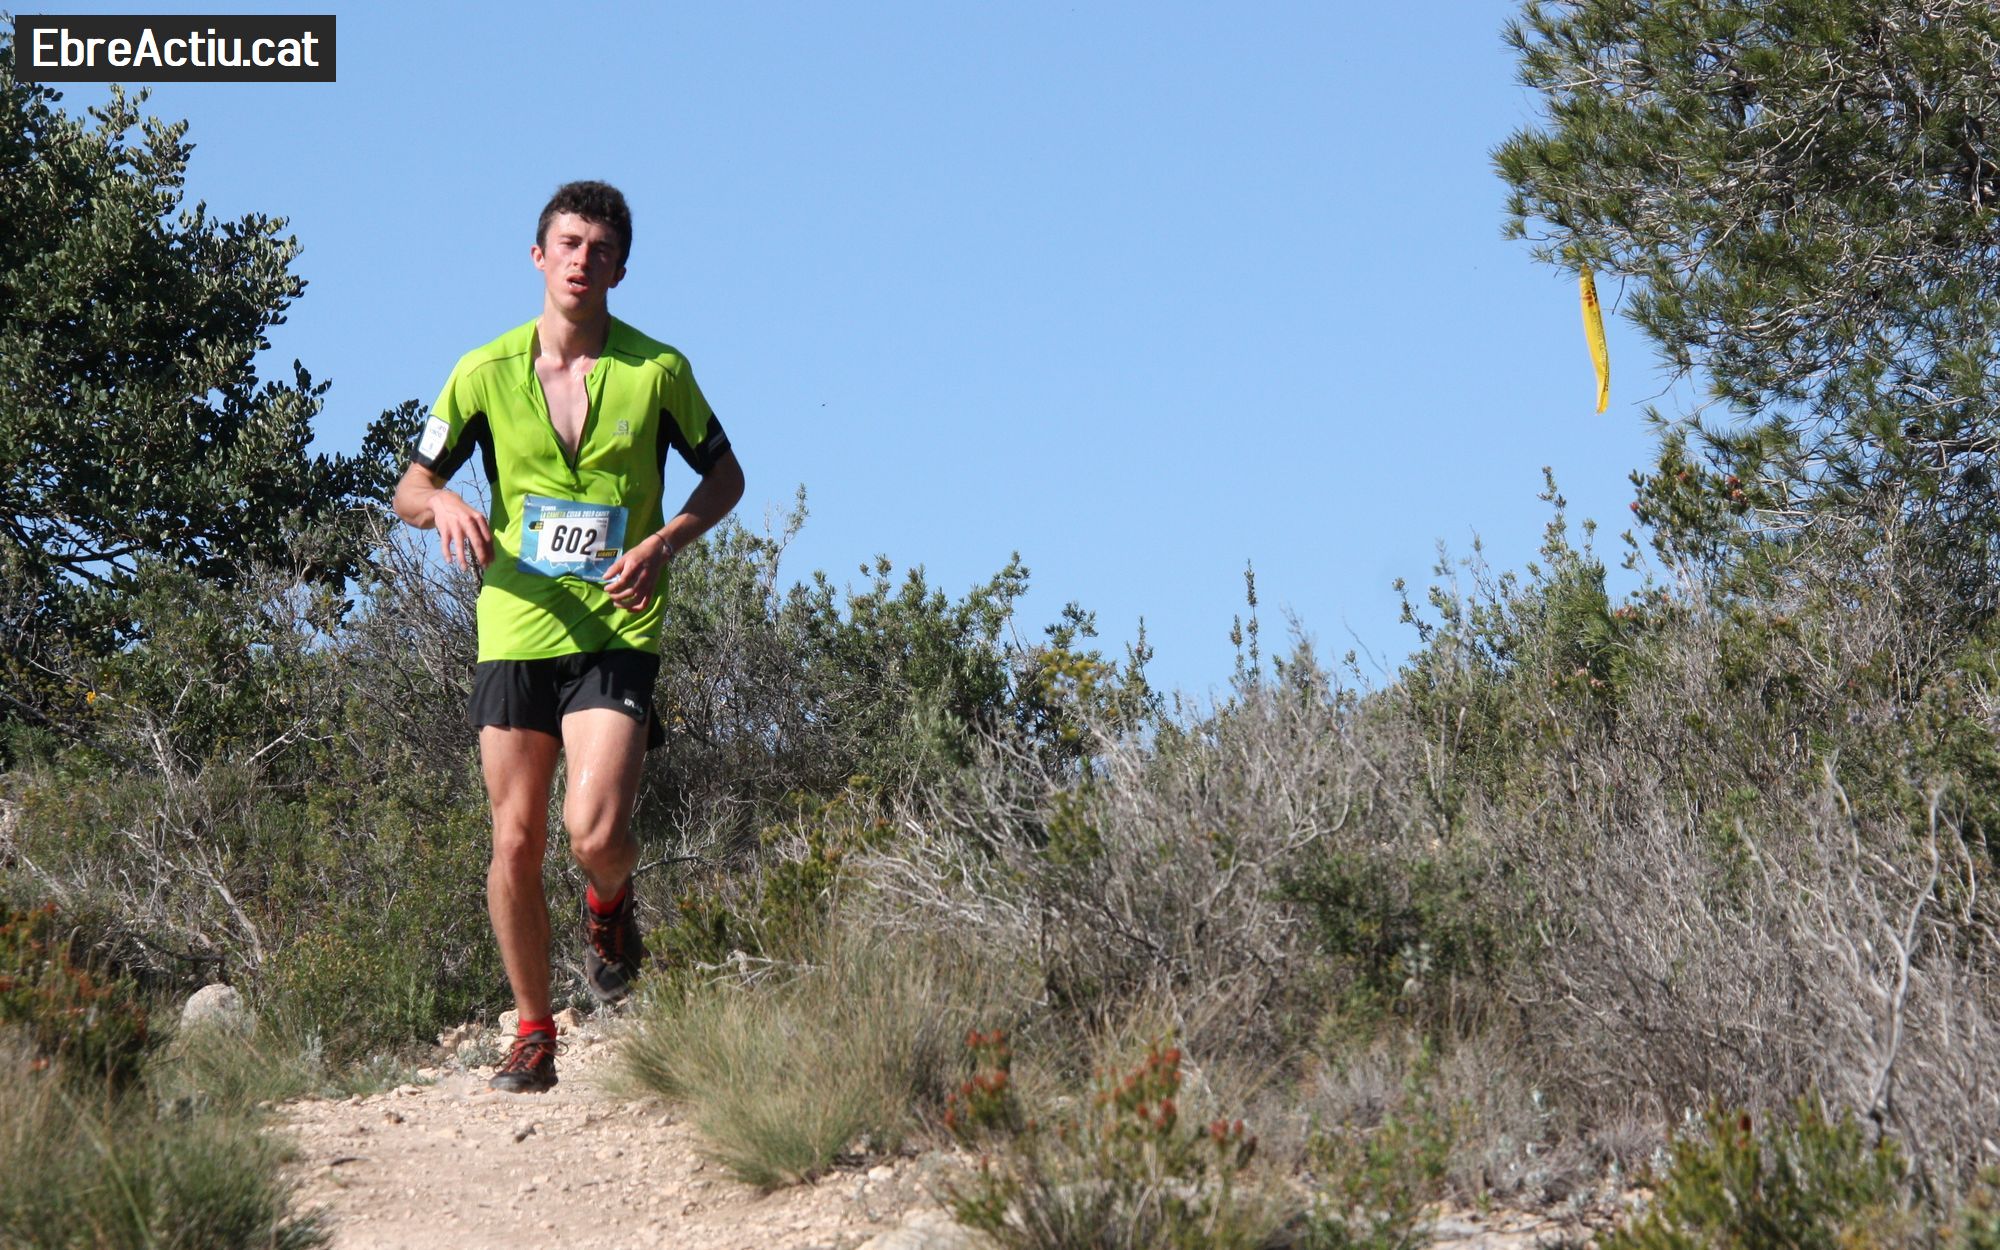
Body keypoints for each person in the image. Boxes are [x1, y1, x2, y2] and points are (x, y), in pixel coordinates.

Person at [392, 180, 744, 1093]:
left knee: (595, 833)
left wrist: (663, 544)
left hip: (617, 625)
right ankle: (534, 1031)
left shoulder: (658, 371)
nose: (583, 259)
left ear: (621, 269)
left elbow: (726, 478)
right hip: (515, 625)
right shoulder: (482, 372)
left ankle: (609, 903)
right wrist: (444, 503)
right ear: (539, 256)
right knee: (513, 842)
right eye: (569, 243)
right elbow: (409, 488)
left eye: (601, 248)